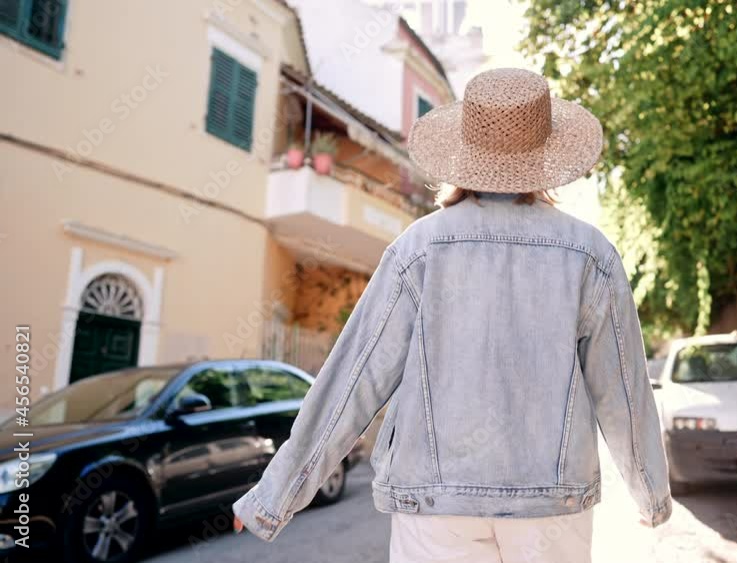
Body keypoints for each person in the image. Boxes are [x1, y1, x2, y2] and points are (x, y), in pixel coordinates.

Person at [233, 68, 671, 562]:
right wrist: (651, 494)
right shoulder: (591, 255)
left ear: (463, 157)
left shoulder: (418, 249)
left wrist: (275, 497)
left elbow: (354, 379)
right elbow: (624, 392)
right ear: (545, 159)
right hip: (551, 505)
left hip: (435, 508)